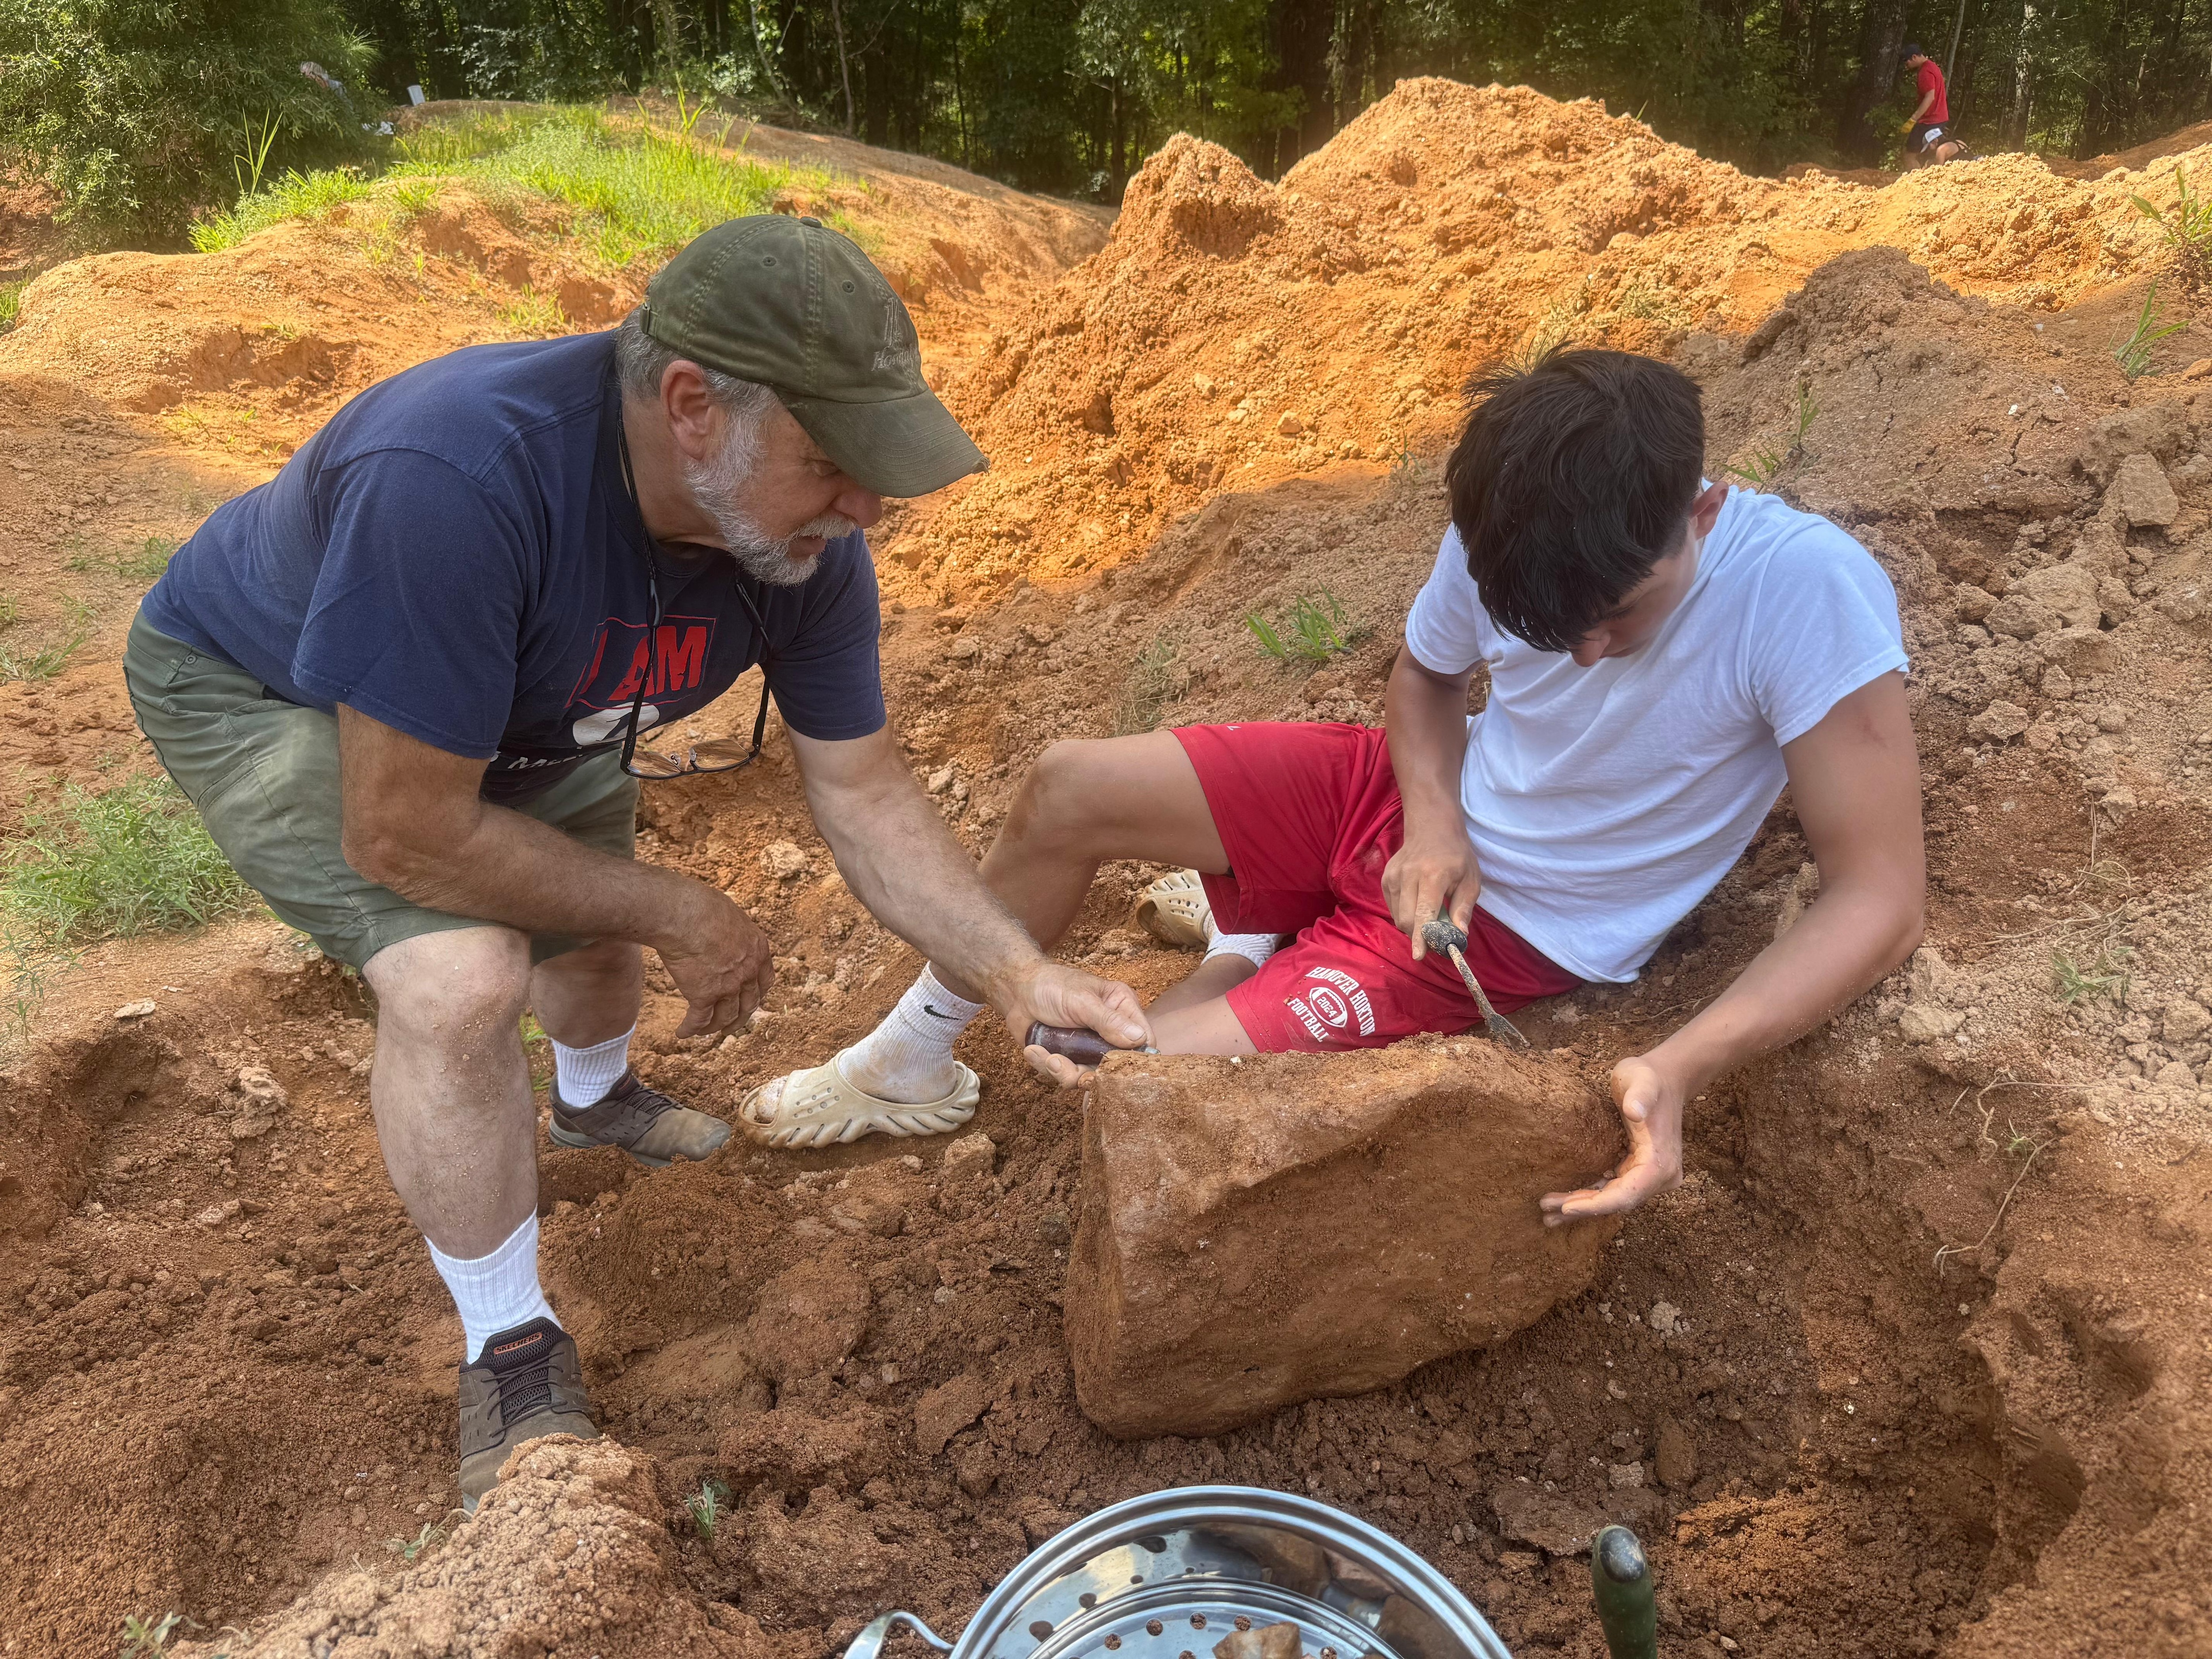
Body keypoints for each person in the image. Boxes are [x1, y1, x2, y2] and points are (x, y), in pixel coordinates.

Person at [123, 215, 1144, 1509]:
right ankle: (507, 1338)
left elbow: (865, 790)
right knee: (461, 978)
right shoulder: (456, 478)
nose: (866, 507)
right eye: (833, 463)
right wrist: (677, 901)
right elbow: (408, 828)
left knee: (593, 943)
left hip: (523, 703)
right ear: (690, 408)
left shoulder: (796, 547)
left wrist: (1013, 970)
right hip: (281, 691)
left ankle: (592, 1097)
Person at [744, 349, 1925, 1238]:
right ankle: (911, 1060)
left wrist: (1680, 1064)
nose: (1585, 654)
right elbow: (1423, 676)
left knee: (1137, 1078)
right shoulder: (1515, 525)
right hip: (1408, 805)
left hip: (1510, 928)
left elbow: (1878, 896)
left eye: (1622, 615)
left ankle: (1256, 940)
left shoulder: (1806, 595)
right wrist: (1435, 818)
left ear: (1702, 511)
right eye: (1554, 627)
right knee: (1070, 787)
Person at [1900, 45, 1965, 168]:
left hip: (1929, 121)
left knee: (1909, 155)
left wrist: (1913, 119)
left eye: (1906, 61)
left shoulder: (1925, 72)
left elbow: (1930, 97)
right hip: (1940, 118)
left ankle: (1915, 184)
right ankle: (1927, 180)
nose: (1906, 65)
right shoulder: (1933, 67)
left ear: (1914, 57)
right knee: (1930, 154)